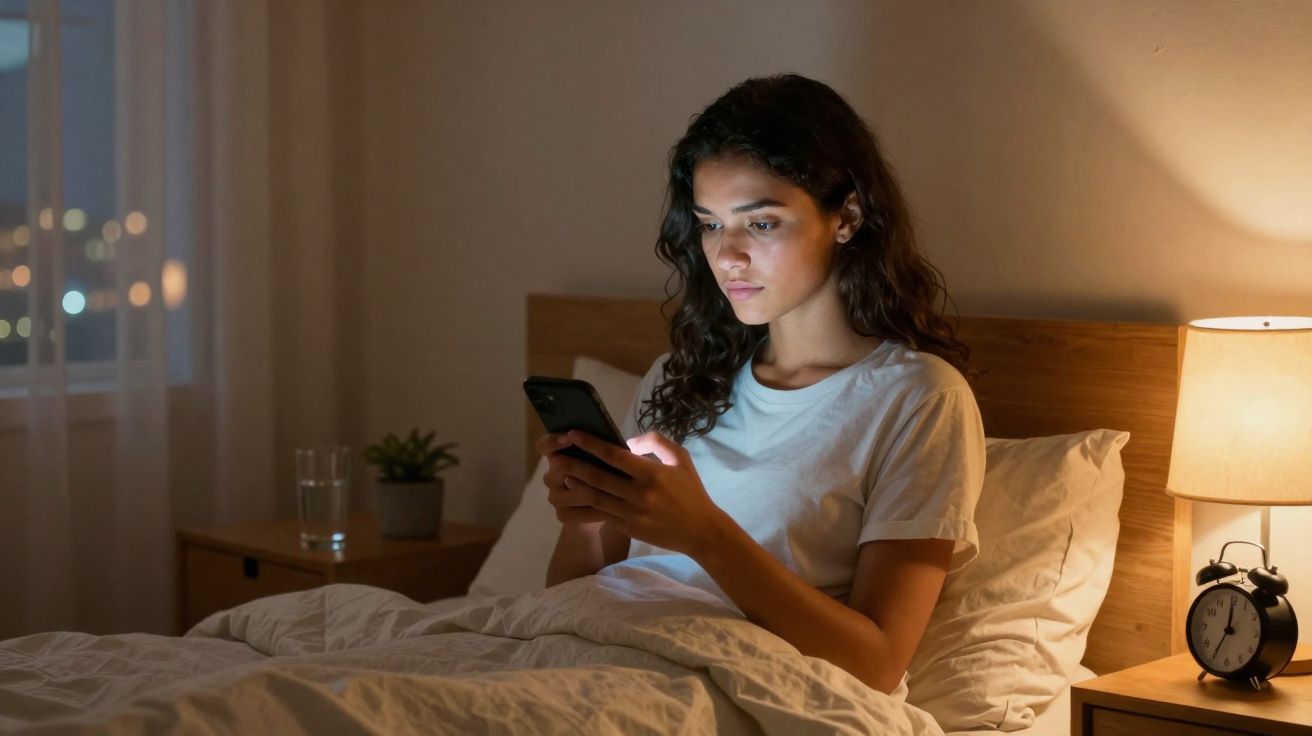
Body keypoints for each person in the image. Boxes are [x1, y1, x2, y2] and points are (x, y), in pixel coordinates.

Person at [533, 73, 985, 696]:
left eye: (762, 224)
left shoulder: (917, 398)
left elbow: (877, 665)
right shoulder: (680, 376)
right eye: (711, 225)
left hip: (737, 689)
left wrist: (702, 532)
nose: (728, 256)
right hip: (597, 657)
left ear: (846, 217)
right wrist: (586, 518)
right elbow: (570, 599)